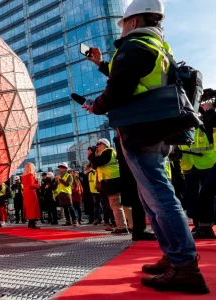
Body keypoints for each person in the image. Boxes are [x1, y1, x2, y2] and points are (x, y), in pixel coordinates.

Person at [85, 0, 209, 293]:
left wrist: (96, 106)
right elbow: (136, 81)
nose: (123, 28)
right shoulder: (158, 48)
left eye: (124, 23)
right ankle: (173, 256)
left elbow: (119, 90)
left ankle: (184, 265)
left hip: (141, 131)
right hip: (157, 127)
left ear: (134, 21)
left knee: (159, 198)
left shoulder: (136, 46)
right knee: (152, 198)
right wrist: (103, 64)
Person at [178, 104, 216, 239]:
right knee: (192, 199)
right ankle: (199, 225)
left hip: (207, 164)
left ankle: (205, 225)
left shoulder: (205, 123)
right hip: (189, 166)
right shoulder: (181, 124)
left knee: (207, 196)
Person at [113, 135, 156, 241]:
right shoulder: (127, 138)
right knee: (140, 203)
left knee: (138, 204)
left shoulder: (122, 139)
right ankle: (140, 231)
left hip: (131, 174)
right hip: (135, 173)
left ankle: (139, 231)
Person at [88, 139, 131, 234]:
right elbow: (94, 165)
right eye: (97, 144)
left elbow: (97, 162)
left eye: (99, 144)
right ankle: (131, 226)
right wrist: (94, 155)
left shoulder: (108, 151)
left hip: (112, 181)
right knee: (124, 204)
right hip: (114, 180)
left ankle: (122, 227)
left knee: (116, 204)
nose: (97, 146)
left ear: (106, 145)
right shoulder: (109, 153)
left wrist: (91, 154)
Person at [22, 162, 41, 229]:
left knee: (29, 208)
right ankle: (32, 224)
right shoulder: (30, 175)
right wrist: (38, 185)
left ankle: (30, 223)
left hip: (26, 193)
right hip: (31, 193)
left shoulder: (23, 176)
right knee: (33, 208)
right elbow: (31, 185)